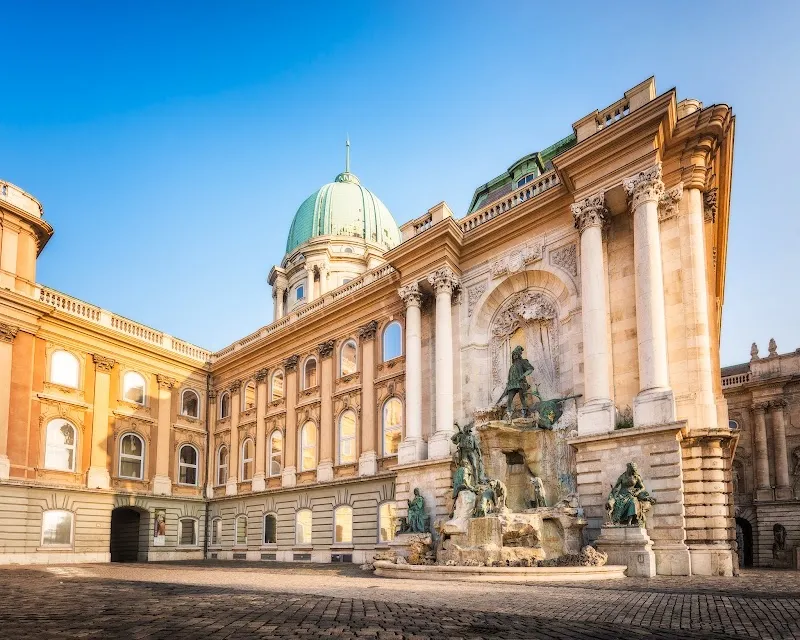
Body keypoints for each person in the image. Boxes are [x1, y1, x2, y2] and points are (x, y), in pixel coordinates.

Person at [496, 346, 536, 418]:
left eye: (516, 354)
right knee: (509, 399)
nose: (514, 356)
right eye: (513, 355)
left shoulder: (523, 362)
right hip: (512, 384)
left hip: (520, 383)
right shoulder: (512, 366)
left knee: (522, 398)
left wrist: (523, 375)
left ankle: (525, 414)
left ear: (519, 355)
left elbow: (530, 369)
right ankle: (509, 415)